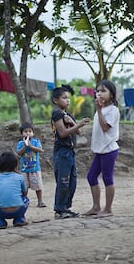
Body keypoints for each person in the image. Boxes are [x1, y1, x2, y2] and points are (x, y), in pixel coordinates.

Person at [51, 85, 90, 219]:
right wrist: (78, 124)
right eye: (64, 98)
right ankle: (60, 209)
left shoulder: (68, 114)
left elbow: (78, 132)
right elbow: (62, 133)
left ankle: (66, 207)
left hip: (70, 152)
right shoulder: (57, 113)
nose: (68, 100)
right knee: (63, 181)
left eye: (68, 98)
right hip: (62, 152)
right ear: (56, 100)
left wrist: (74, 123)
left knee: (72, 182)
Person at [83, 80, 120, 218]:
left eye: (103, 91)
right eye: (97, 91)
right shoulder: (101, 109)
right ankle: (96, 207)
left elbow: (105, 128)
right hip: (100, 149)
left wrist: (98, 110)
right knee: (91, 176)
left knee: (107, 178)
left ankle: (108, 209)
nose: (99, 93)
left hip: (109, 149)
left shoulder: (113, 110)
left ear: (111, 94)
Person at [0, 151, 30, 229]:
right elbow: (25, 193)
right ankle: (19, 219)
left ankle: (0, 221)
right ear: (15, 166)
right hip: (18, 210)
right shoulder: (20, 177)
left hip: (2, 211)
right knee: (26, 200)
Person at [16, 122, 46, 207]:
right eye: (25, 131)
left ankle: (40, 201)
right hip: (24, 169)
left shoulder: (36, 141)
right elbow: (18, 153)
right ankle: (24, 200)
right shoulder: (20, 143)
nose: (28, 133)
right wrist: (25, 146)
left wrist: (31, 146)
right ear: (22, 133)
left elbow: (40, 150)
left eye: (30, 131)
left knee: (38, 186)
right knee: (24, 187)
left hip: (35, 168)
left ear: (33, 133)